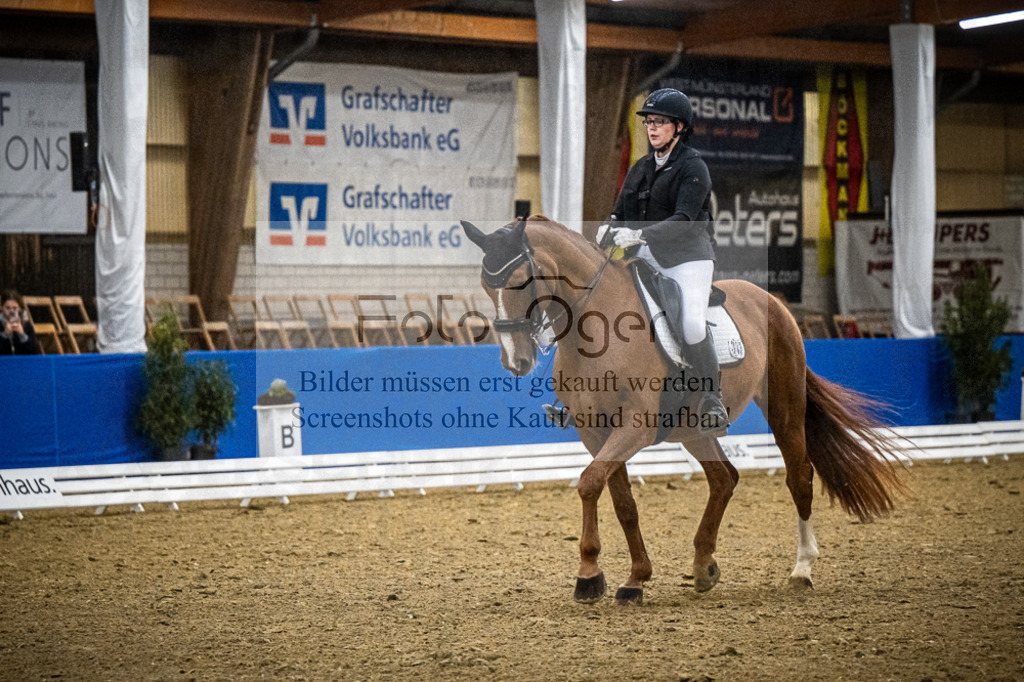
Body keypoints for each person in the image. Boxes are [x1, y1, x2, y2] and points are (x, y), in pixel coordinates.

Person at [596, 87, 728, 435]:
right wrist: (609, 228)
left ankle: (712, 398)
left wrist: (640, 236)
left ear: (680, 127)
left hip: (688, 259)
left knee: (692, 325)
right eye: (650, 122)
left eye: (661, 123)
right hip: (646, 255)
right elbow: (620, 211)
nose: (653, 129)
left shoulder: (693, 166)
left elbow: (685, 218)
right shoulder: (641, 168)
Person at [1, 290, 40, 356]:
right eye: (8, 308)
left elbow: (34, 352)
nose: (11, 311)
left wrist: (22, 335)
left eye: (14, 308)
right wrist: (5, 334)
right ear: (2, 307)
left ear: (19, 308)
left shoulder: (26, 325)